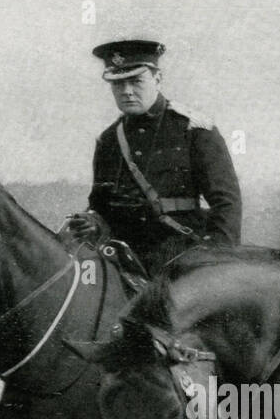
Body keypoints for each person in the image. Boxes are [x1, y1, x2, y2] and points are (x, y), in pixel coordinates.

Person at [64, 39, 242, 273]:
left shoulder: (193, 129)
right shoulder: (108, 140)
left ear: (157, 79)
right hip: (122, 259)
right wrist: (92, 220)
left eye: (136, 81)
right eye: (118, 84)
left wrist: (216, 262)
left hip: (183, 257)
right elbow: (99, 204)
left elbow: (226, 203)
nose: (127, 92)